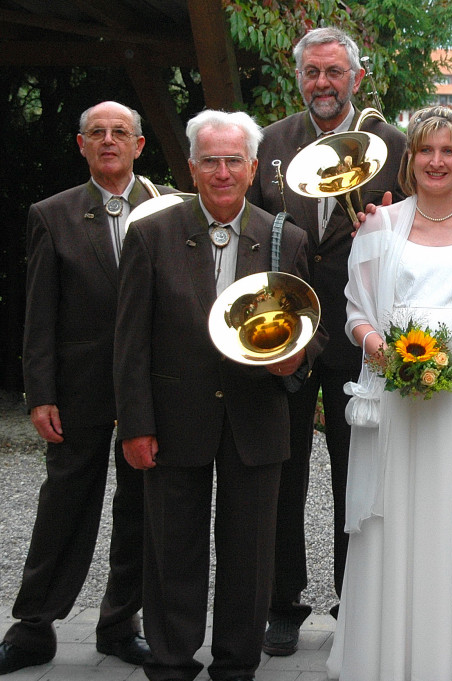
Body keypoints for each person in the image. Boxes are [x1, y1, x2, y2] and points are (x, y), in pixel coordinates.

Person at [114, 109, 324, 681]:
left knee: (250, 555)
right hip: (174, 417)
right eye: (211, 160)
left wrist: (296, 356)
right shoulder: (150, 233)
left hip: (257, 419)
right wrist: (135, 424)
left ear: (253, 166)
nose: (224, 171)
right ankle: (171, 660)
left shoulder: (286, 238)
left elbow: (311, 328)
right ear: (192, 166)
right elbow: (129, 340)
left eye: (235, 160)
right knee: (172, 550)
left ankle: (237, 663)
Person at [326, 106, 452, 680]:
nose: (437, 161)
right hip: (396, 391)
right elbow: (356, 309)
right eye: (426, 151)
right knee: (396, 517)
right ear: (410, 159)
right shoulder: (380, 226)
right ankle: (388, 653)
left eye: (449, 151)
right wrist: (377, 348)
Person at [246, 26, 408, 656]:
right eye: (312, 72)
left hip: (359, 325)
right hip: (284, 326)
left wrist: (386, 228)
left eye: (333, 72)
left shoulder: (392, 144)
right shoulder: (271, 142)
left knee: (357, 467)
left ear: (356, 77)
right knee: (282, 471)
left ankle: (355, 596)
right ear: (299, 77)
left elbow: (427, 225)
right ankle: (282, 603)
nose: (322, 83)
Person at [0, 101, 174, 676]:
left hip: (150, 388)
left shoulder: (171, 211)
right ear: (80, 145)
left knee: (140, 509)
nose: (107, 141)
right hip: (78, 389)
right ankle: (33, 629)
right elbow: (39, 312)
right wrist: (39, 390)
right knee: (64, 504)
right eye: (96, 133)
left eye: (119, 132)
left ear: (138, 145)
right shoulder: (52, 215)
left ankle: (120, 624)